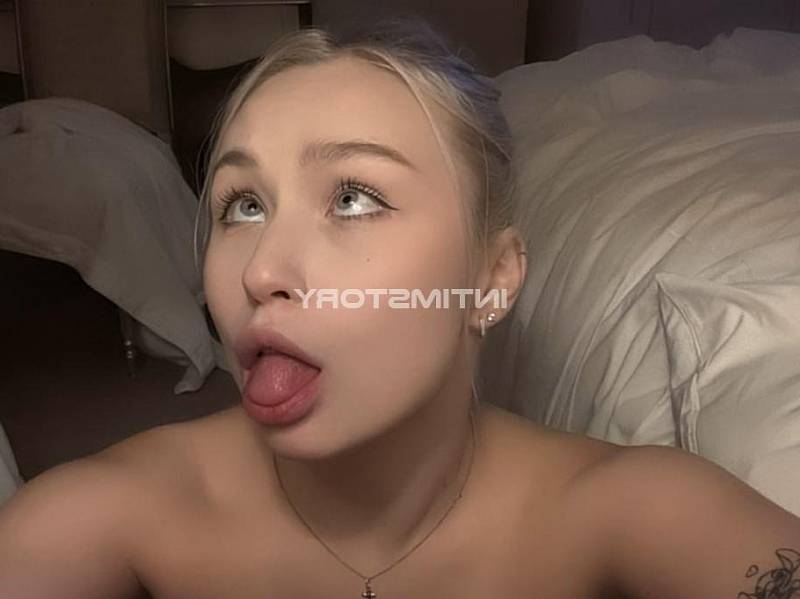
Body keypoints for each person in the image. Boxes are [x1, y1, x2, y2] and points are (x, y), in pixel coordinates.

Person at [1, 16, 799, 599]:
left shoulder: (632, 511)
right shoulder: (111, 514)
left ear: (492, 277)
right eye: (242, 205)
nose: (262, 270)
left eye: (352, 196)